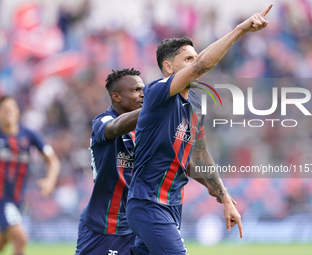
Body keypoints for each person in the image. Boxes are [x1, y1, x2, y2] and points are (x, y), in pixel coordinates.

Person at [126, 4, 273, 254]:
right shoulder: (158, 92)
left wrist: (225, 198)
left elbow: (200, 157)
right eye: (188, 59)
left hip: (171, 205)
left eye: (195, 57)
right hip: (148, 203)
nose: (196, 62)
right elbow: (204, 64)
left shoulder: (195, 104)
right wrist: (239, 29)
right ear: (169, 67)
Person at [75, 68, 145, 255]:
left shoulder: (144, 129)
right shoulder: (103, 121)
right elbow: (114, 128)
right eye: (135, 90)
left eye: (143, 89)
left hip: (136, 224)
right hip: (104, 224)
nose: (142, 94)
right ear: (117, 96)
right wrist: (151, 108)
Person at [0, 96, 60, 255]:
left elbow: (53, 160)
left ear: (18, 112)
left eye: (12, 109)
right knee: (20, 239)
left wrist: (50, 181)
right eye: (5, 110)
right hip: (2, 199)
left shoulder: (30, 135)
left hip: (17, 199)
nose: (9, 113)